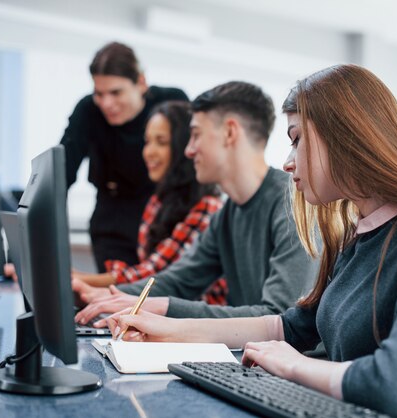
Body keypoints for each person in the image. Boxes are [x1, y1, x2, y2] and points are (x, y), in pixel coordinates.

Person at [104, 65, 397, 417]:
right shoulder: (360, 234)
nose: (287, 162)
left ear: (346, 135)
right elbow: (288, 327)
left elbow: (396, 385)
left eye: (297, 139)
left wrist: (292, 366)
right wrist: (170, 330)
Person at [73, 81, 318, 325]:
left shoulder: (293, 202)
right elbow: (178, 280)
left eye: (196, 135)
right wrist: (107, 296)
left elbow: (280, 317)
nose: (189, 150)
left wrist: (164, 307)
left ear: (230, 133)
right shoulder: (227, 214)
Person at [72, 101, 226, 303]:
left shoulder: (207, 206)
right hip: (162, 310)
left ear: (183, 147)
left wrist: (81, 280)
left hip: (198, 321)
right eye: (147, 141)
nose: (149, 152)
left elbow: (156, 275)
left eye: (161, 142)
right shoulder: (157, 201)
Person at [61, 41, 189, 272]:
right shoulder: (88, 110)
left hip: (162, 213)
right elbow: (60, 175)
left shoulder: (171, 103)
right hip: (111, 217)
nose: (106, 103)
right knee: (117, 293)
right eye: (99, 94)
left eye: (116, 92)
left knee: (155, 289)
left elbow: (190, 164)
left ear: (140, 82)